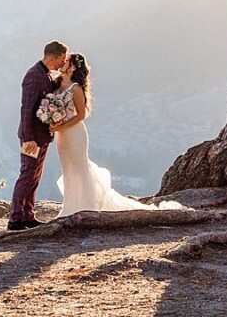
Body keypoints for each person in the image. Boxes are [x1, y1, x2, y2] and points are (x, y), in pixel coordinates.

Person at [48, 52, 185, 216]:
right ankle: (70, 205)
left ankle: (85, 205)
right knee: (68, 168)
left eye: (67, 61)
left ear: (72, 67)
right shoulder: (56, 84)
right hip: (62, 136)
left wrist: (60, 126)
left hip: (75, 133)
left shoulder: (75, 88)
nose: (63, 62)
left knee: (79, 167)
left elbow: (81, 115)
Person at [7, 40, 70, 231]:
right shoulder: (34, 76)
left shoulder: (46, 75)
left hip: (41, 136)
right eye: (61, 58)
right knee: (27, 174)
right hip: (32, 137)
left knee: (35, 177)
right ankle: (15, 218)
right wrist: (29, 138)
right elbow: (26, 109)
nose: (62, 63)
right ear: (52, 56)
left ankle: (28, 215)